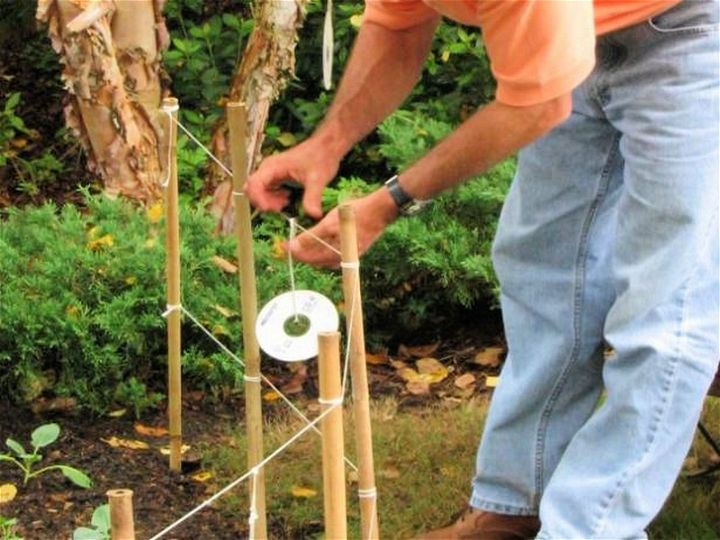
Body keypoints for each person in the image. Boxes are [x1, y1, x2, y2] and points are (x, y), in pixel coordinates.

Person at [246, 0, 720, 537]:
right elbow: (398, 26)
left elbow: (536, 106)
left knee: (664, 310)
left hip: (690, 29)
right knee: (541, 273)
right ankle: (515, 505)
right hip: (575, 31)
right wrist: (325, 145)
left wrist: (388, 202)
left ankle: (587, 527)